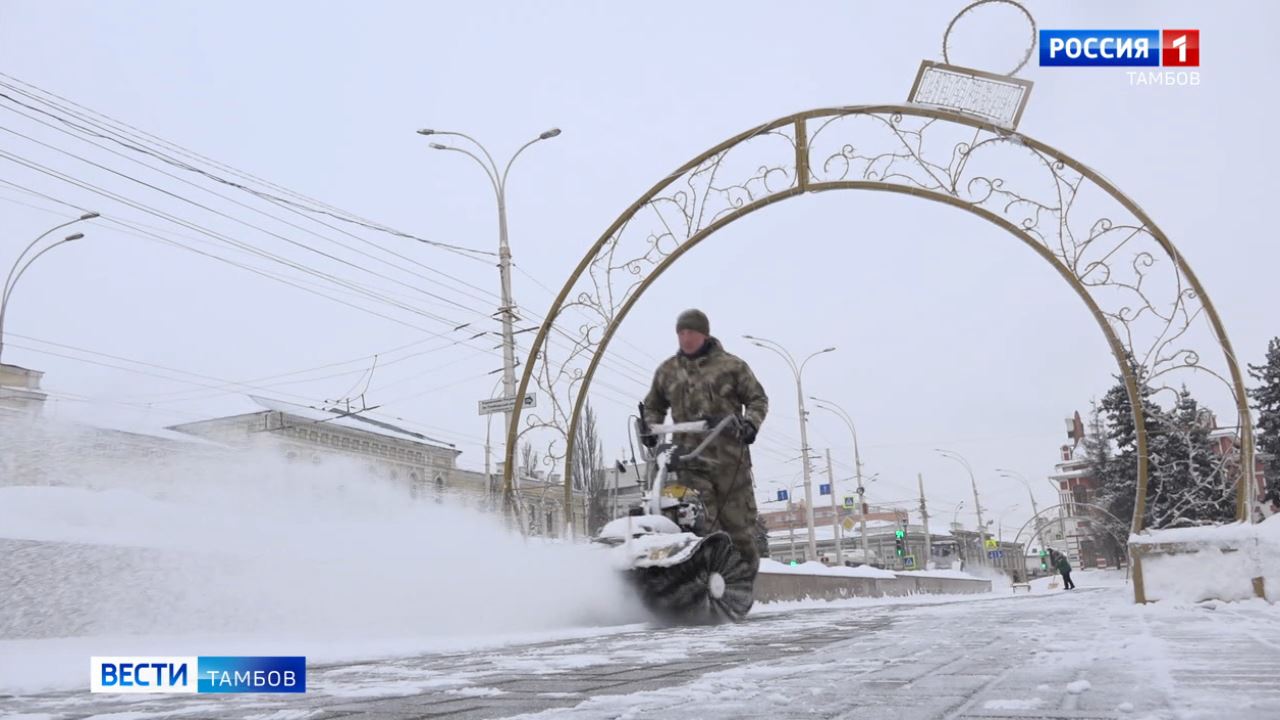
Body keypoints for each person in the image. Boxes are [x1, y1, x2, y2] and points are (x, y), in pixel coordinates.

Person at [641, 309, 769, 573]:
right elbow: (653, 405)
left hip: (731, 462)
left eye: (691, 332)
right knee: (699, 526)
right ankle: (702, 587)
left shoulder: (732, 366)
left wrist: (751, 423)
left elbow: (757, 399)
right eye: (681, 333)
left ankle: (741, 586)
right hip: (690, 460)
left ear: (704, 334)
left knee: (738, 529)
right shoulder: (668, 371)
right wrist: (649, 428)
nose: (685, 338)